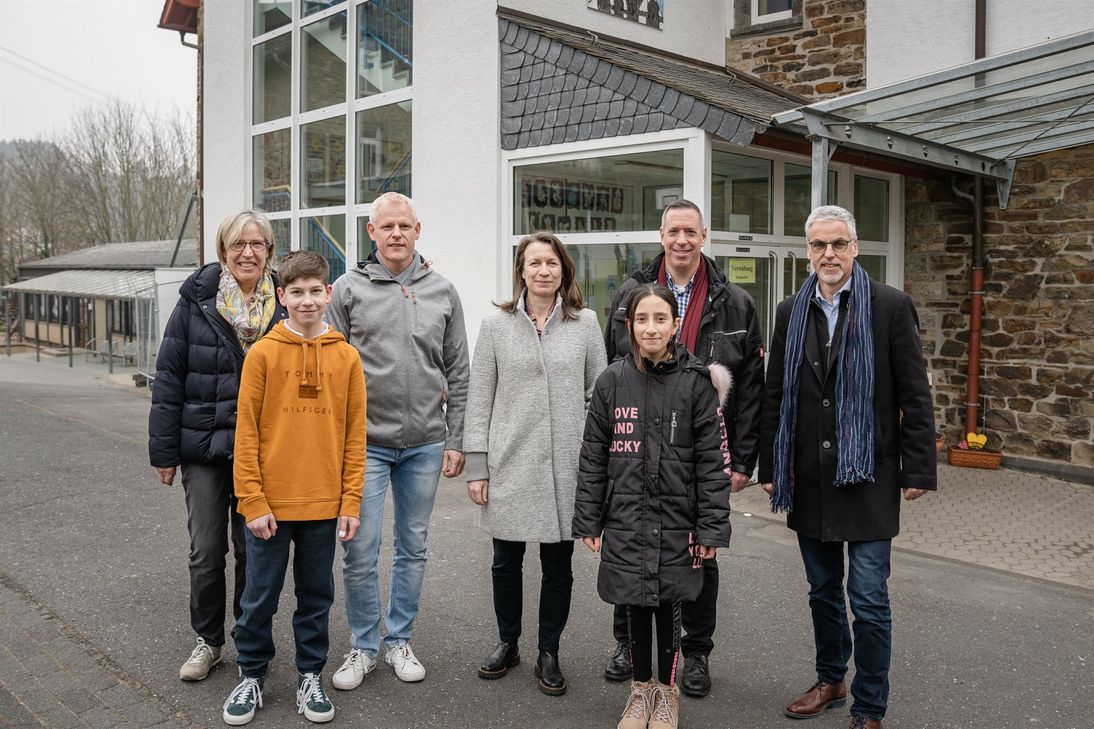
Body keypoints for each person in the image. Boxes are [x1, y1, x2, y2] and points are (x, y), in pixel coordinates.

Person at [758, 205, 936, 729]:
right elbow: (775, 395)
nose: (828, 254)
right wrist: (771, 463)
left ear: (855, 247)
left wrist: (919, 469)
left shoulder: (891, 306)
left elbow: (915, 394)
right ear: (808, 252)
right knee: (822, 591)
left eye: (838, 244)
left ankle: (870, 705)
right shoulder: (791, 310)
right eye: (819, 246)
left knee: (869, 597)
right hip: (810, 475)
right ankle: (831, 678)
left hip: (870, 474)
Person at [602, 198, 764, 696]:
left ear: (704, 235)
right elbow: (615, 371)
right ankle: (630, 645)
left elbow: (752, 387)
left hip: (700, 448)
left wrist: (743, 457)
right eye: (674, 231)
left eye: (690, 232)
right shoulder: (632, 293)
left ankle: (695, 653)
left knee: (700, 554)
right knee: (633, 549)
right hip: (639, 447)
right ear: (661, 234)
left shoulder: (735, 301)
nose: (682, 240)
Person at [325, 191, 470, 687]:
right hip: (364, 444)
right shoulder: (347, 290)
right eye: (386, 227)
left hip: (426, 443)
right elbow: (328, 369)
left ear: (417, 229)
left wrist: (457, 438)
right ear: (371, 232)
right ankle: (363, 645)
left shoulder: (443, 291)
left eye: (404, 226)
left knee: (413, 544)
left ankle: (399, 640)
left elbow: (459, 370)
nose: (395, 234)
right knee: (361, 546)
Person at [574, 284, 731, 729]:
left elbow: (712, 463)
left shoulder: (697, 383)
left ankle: (667, 694)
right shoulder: (611, 381)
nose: (651, 327)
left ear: (675, 325)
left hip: (679, 520)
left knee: (670, 604)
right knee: (634, 605)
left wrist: (711, 530)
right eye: (642, 319)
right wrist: (589, 518)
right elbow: (593, 455)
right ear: (629, 326)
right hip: (625, 517)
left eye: (660, 318)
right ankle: (640, 692)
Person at [221, 251, 365, 726]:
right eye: (296, 292)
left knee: (316, 596)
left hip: (323, 505)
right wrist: (252, 500)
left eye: (315, 291)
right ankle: (251, 674)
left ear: (329, 293)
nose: (307, 300)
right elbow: (245, 434)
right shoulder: (263, 353)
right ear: (282, 297)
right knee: (258, 596)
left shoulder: (346, 357)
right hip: (269, 507)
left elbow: (354, 435)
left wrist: (350, 501)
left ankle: (310, 676)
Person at [464, 233, 608, 696]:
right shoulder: (496, 325)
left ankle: (549, 650)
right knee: (505, 561)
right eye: (534, 263)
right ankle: (508, 642)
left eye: (551, 263)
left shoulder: (584, 323)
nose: (543, 271)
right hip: (510, 460)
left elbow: (599, 394)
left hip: (568, 465)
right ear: (521, 271)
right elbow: (479, 397)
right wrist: (478, 465)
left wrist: (592, 456)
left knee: (558, 565)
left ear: (564, 269)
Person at [148, 210, 287, 682]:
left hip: (263, 452)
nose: (247, 252)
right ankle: (208, 641)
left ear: (269, 250)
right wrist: (164, 452)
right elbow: (169, 378)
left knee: (254, 550)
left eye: (257, 244)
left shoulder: (285, 305)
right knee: (207, 551)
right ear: (223, 250)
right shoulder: (196, 301)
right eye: (237, 244)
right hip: (204, 449)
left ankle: (250, 637)